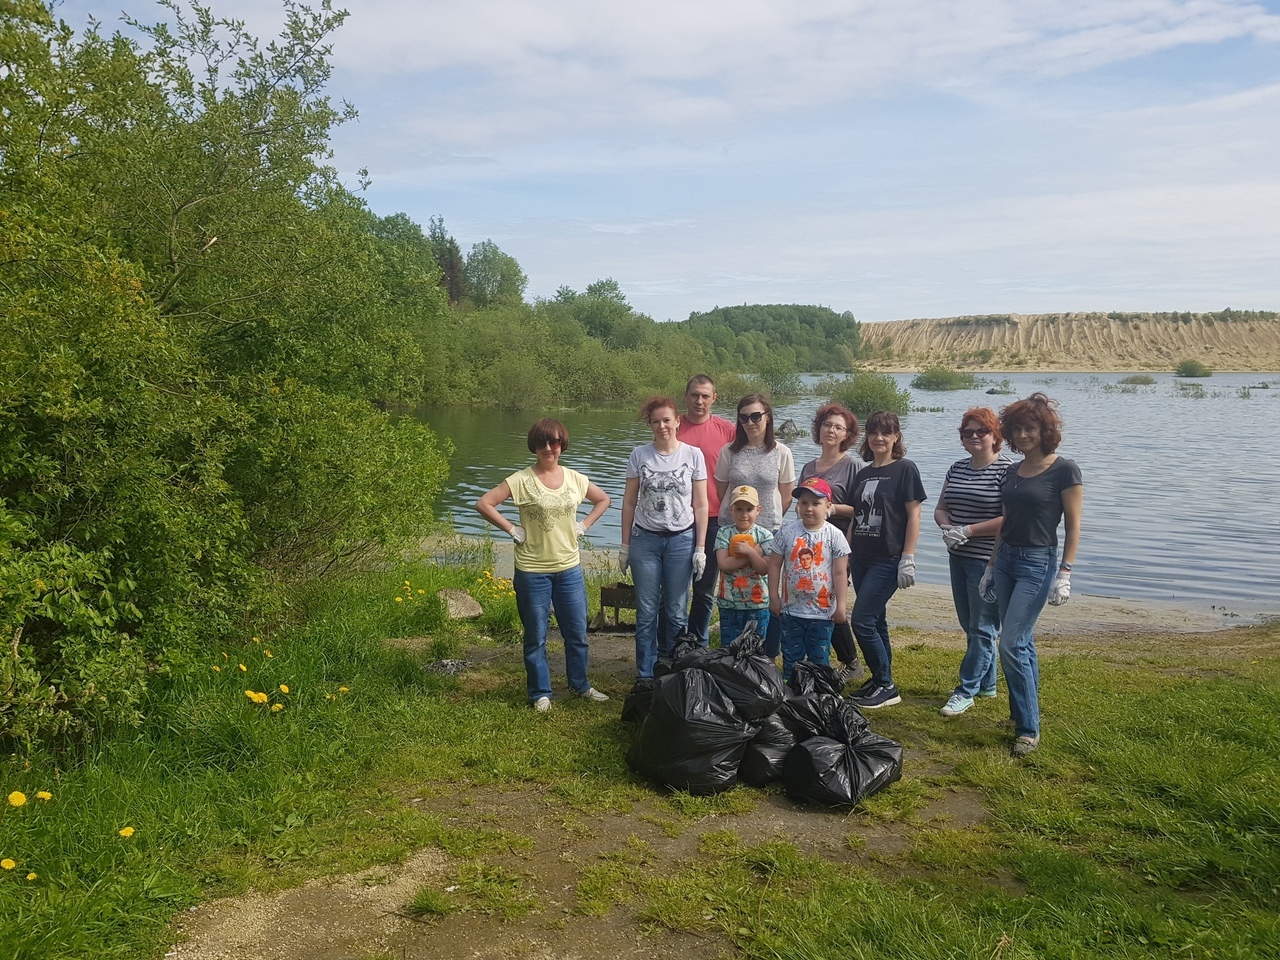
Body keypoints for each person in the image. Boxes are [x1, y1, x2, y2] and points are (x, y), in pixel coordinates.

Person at [475, 418, 612, 712]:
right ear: (534, 446)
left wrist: (584, 525)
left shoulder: (575, 478)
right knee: (535, 636)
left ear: (563, 444)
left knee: (577, 634)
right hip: (532, 571)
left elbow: (603, 499)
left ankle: (580, 685)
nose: (548, 448)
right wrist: (511, 529)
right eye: (542, 443)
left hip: (570, 570)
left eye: (555, 442)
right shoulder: (521, 480)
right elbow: (484, 503)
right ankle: (540, 693)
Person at [979, 393, 1082, 757]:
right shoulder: (1012, 470)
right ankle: (1021, 712)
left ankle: (1028, 730)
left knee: (1010, 642)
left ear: (1045, 431)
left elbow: (1073, 526)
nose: (1023, 435)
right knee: (1023, 643)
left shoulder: (1064, 470)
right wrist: (990, 567)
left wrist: (1065, 572)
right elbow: (1005, 522)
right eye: (1017, 429)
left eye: (1031, 429)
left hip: (1037, 563)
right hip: (1005, 559)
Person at [620, 397, 709, 679]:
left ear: (677, 421)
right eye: (656, 421)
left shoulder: (693, 455)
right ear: (650, 424)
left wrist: (701, 547)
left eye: (667, 420)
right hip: (645, 541)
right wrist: (625, 545)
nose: (662, 426)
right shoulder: (639, 455)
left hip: (681, 540)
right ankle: (645, 674)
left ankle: (673, 671)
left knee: (676, 612)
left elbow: (702, 504)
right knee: (646, 613)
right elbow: (629, 502)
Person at [935, 408, 1013, 717]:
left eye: (982, 431)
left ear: (996, 436)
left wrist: (969, 530)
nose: (975, 437)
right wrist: (947, 528)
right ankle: (988, 685)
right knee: (972, 626)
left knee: (982, 627)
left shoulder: (1007, 471)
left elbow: (1010, 519)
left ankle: (965, 690)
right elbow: (941, 507)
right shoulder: (956, 468)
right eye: (968, 432)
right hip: (959, 557)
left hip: (989, 561)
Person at [846, 411, 926, 710]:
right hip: (862, 557)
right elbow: (856, 516)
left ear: (896, 437)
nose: (879, 438)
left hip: (888, 557)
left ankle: (887, 686)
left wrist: (908, 556)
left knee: (862, 620)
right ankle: (882, 679)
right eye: (873, 432)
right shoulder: (864, 473)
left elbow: (914, 514)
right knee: (876, 620)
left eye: (886, 432)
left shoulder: (905, 469)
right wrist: (847, 555)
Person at [714, 394, 796, 656]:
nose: (750, 422)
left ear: (768, 417)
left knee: (768, 592)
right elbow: (721, 491)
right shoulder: (728, 452)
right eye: (744, 417)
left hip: (769, 530)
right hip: (733, 531)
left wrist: (764, 529)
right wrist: (741, 528)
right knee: (736, 591)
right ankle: (733, 652)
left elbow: (786, 495)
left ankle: (767, 655)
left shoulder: (781, 452)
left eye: (756, 416)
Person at [798, 402, 864, 683]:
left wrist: (831, 509)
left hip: (838, 543)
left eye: (838, 427)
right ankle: (814, 659)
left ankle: (850, 662)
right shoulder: (809, 466)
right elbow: (801, 506)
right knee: (811, 597)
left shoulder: (853, 465)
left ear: (847, 434)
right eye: (827, 424)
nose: (831, 430)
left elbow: (862, 510)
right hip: (808, 544)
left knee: (831, 601)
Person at [767, 478, 849, 681]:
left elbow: (840, 574)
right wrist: (773, 597)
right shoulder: (787, 532)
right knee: (791, 659)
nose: (809, 508)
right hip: (790, 610)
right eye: (804, 503)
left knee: (819, 660)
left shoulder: (835, 535)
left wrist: (841, 606)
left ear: (828, 506)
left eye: (816, 503)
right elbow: (774, 565)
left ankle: (819, 696)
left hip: (822, 614)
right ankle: (790, 696)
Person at [677, 375, 737, 645]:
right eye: (694, 395)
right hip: (678, 520)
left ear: (714, 398)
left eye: (705, 396)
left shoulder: (727, 430)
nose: (699, 401)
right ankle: (675, 642)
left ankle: (698, 642)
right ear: (686, 396)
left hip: (714, 519)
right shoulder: (673, 425)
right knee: (676, 589)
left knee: (704, 589)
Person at [714, 484, 774, 644]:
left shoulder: (765, 535)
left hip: (757, 603)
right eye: (739, 509)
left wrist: (750, 552)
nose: (744, 514)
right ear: (730, 509)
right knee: (730, 647)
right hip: (729, 602)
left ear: (758, 510)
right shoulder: (724, 533)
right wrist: (753, 553)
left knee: (754, 647)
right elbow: (724, 564)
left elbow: (764, 569)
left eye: (749, 509)